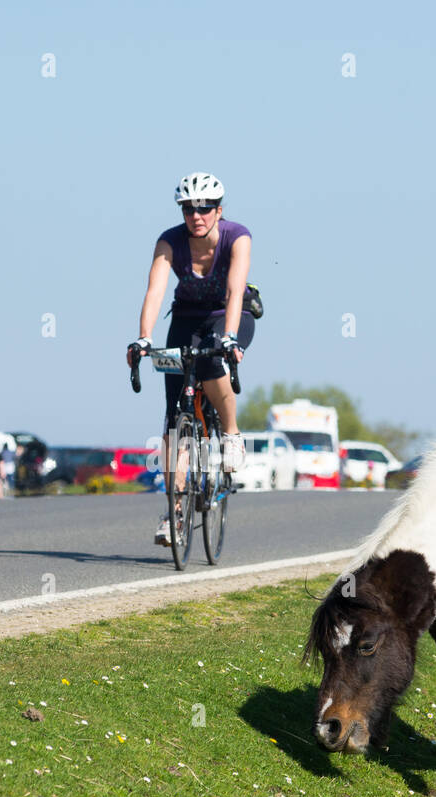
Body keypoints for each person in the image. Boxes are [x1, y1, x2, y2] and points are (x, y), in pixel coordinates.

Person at [127, 172, 254, 546]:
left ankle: (230, 432)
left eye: (205, 208)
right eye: (188, 209)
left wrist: (229, 337)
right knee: (173, 420)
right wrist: (144, 338)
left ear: (219, 210)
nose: (196, 216)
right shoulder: (169, 241)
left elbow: (234, 291)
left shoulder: (237, 236)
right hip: (185, 319)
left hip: (228, 316)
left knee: (213, 364)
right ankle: (175, 513)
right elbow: (155, 290)